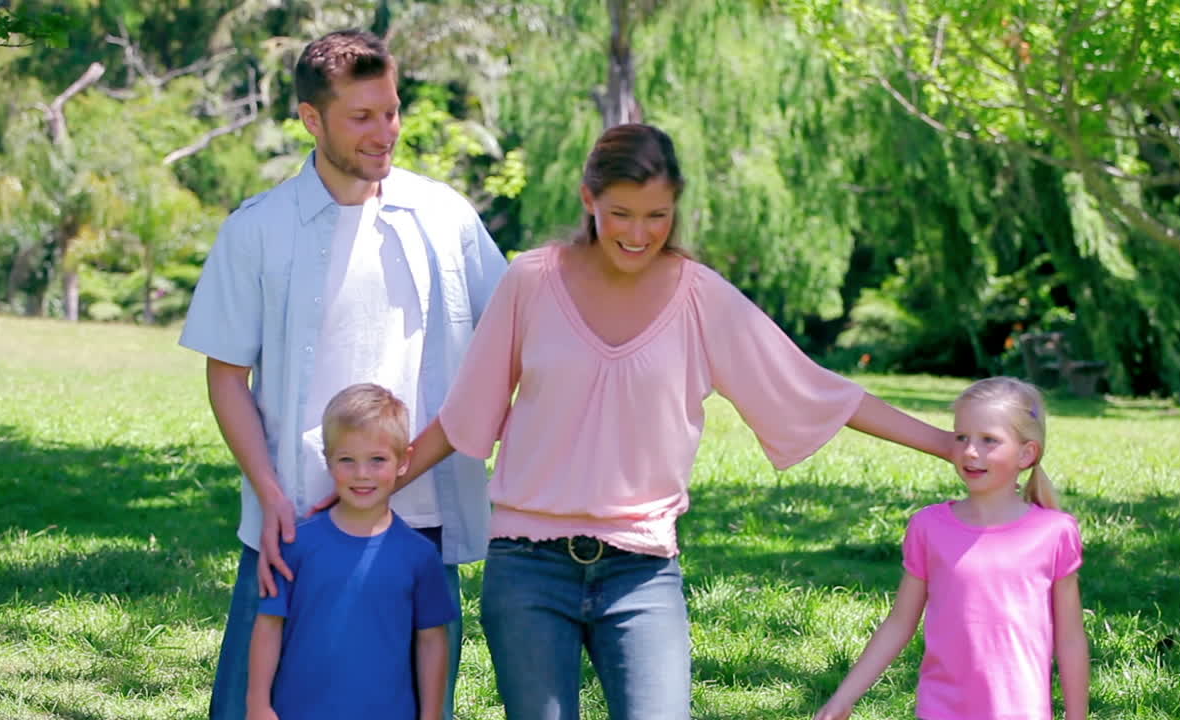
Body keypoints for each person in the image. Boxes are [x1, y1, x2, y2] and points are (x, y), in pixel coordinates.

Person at [393, 122, 956, 720]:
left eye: (656, 216)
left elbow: (816, 389)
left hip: (641, 571)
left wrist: (956, 447)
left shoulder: (701, 299)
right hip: (527, 568)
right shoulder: (531, 281)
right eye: (622, 214)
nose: (639, 234)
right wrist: (360, 489)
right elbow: (462, 420)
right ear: (589, 199)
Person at [179, 28, 507, 720]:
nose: (384, 131)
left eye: (390, 111)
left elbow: (505, 353)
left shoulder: (447, 218)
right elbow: (226, 374)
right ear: (310, 118)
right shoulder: (258, 229)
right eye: (362, 116)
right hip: (294, 521)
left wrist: (406, 468)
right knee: (258, 706)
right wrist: (268, 493)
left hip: (420, 524)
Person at [813, 376, 1089, 720]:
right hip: (940, 709)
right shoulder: (929, 527)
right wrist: (845, 696)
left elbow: (1070, 639)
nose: (970, 451)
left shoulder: (1053, 532)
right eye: (961, 437)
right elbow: (900, 623)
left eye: (989, 440)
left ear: (1026, 453)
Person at [247, 383, 457, 720]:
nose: (362, 474)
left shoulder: (419, 555)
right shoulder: (296, 544)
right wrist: (258, 704)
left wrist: (431, 714)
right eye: (347, 460)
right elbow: (269, 625)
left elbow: (432, 640)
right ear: (328, 461)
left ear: (403, 462)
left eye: (377, 460)